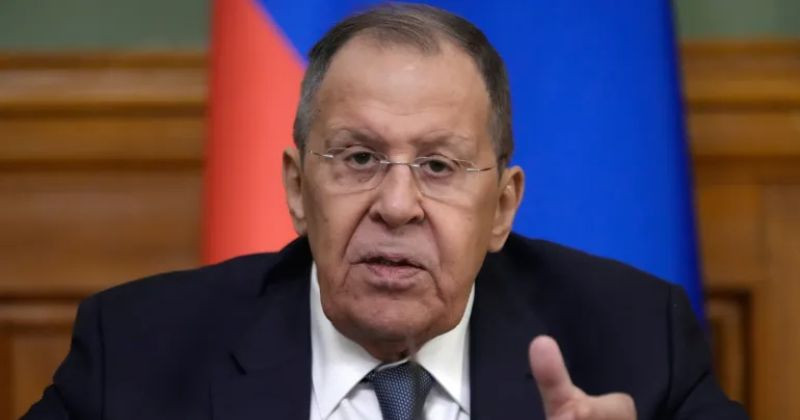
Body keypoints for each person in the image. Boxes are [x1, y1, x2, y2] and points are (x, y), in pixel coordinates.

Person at [24, 3, 747, 420]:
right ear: (298, 188)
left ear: (502, 207)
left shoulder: (634, 343)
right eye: (360, 158)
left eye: (438, 166)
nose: (397, 207)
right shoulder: (138, 353)